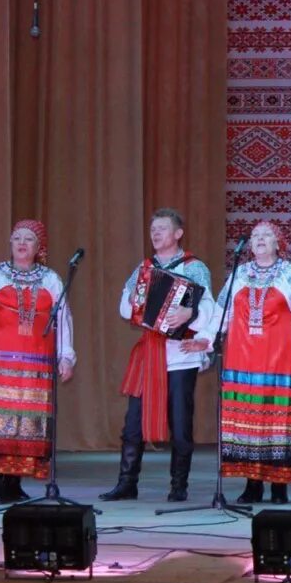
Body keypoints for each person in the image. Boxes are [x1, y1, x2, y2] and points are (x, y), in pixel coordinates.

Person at [0, 220, 76, 503]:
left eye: (28, 239)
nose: (21, 243)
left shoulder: (51, 279)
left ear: (39, 247)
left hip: (34, 363)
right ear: (10, 243)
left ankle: (13, 482)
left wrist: (65, 357)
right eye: (16, 238)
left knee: (25, 422)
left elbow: (63, 321)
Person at [100, 208, 215, 503]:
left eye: (162, 228)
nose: (156, 233)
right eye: (153, 229)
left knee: (180, 422)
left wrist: (191, 313)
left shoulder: (194, 268)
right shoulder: (144, 268)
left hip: (181, 354)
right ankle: (127, 483)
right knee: (132, 423)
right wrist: (137, 305)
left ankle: (179, 485)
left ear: (178, 233)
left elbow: (209, 309)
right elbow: (125, 307)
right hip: (149, 351)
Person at [210, 221, 291, 505]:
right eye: (255, 236)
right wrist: (205, 337)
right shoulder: (239, 274)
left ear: (277, 243)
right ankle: (252, 485)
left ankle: (279, 486)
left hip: (279, 359)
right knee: (248, 420)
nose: (259, 239)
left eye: (266, 235)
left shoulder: (290, 274)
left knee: (276, 421)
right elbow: (220, 311)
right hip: (243, 359)